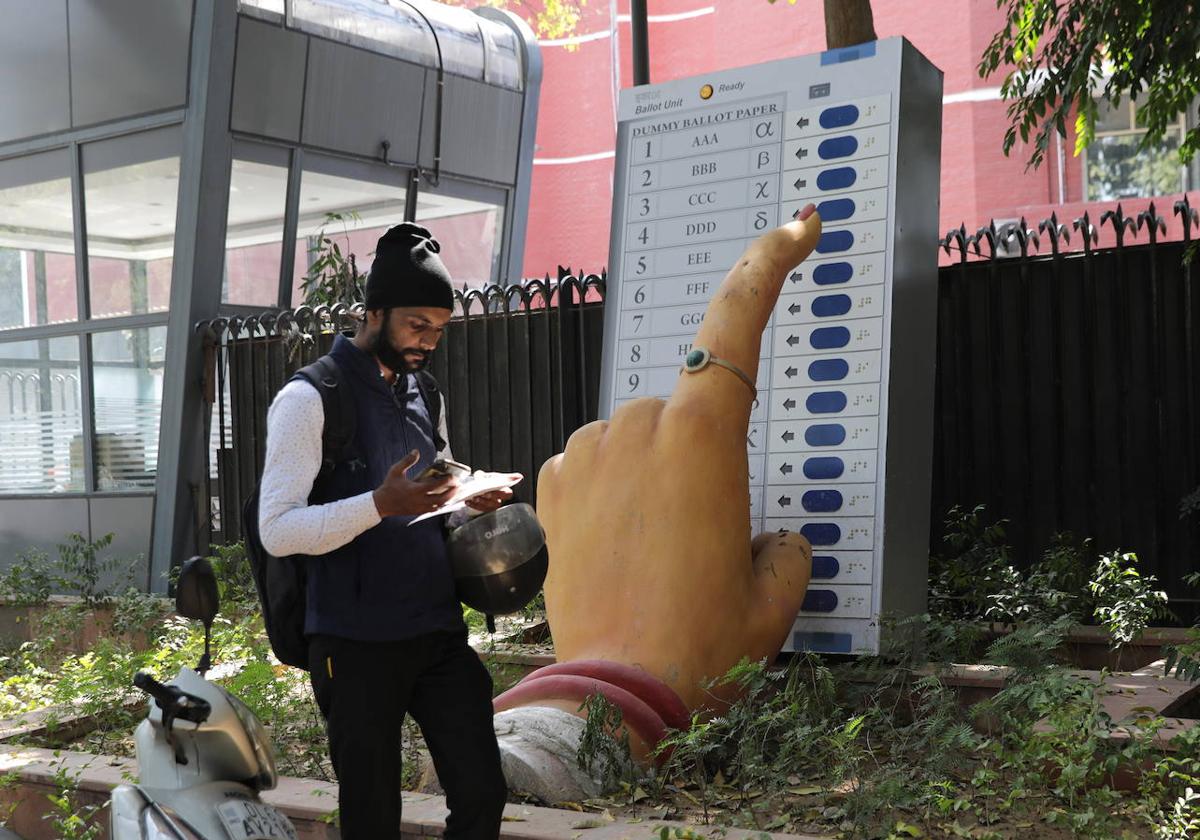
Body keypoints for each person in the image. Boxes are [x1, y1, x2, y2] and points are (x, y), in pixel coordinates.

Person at [258, 222, 510, 840]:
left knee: (481, 790)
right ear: (372, 313)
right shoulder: (310, 397)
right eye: (415, 326)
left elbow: (432, 495)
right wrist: (377, 504)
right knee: (372, 816)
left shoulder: (426, 391)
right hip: (353, 642)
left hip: (436, 631)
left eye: (438, 330)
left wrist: (467, 502)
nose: (427, 342)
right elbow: (277, 529)